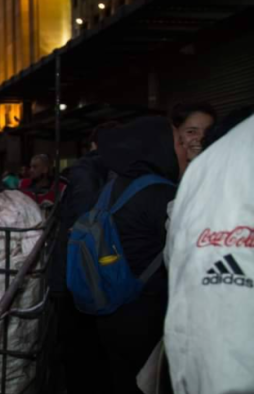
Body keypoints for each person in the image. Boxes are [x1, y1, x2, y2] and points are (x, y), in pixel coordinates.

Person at [92, 116, 188, 394]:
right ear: (158, 147)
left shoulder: (113, 185)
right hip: (147, 318)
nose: (186, 148)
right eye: (179, 141)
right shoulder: (162, 194)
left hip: (109, 309)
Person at [164, 111, 254, 394]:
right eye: (189, 132)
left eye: (204, 131)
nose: (197, 138)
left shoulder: (210, 171)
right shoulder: (213, 173)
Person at [49, 121, 117, 394]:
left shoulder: (85, 173)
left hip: (76, 272)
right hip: (92, 271)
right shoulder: (102, 173)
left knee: (76, 345)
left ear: (92, 145)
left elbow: (78, 225)